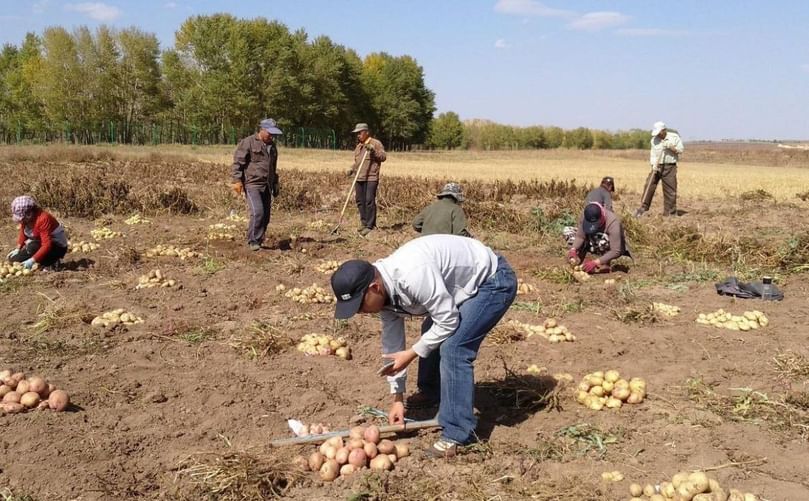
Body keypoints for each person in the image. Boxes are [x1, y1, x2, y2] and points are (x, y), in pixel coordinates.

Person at [330, 235, 517, 458]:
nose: (359, 312)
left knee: (454, 348)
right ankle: (431, 391)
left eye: (359, 305)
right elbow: (393, 345)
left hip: (493, 281)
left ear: (374, 287)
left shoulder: (412, 275)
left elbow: (447, 320)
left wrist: (412, 353)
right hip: (462, 286)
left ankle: (458, 435)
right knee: (431, 330)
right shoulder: (385, 295)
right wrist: (397, 399)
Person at [231, 118, 282, 251]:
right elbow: (238, 162)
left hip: (267, 185)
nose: (272, 136)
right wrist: (237, 180)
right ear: (262, 130)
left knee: (265, 215)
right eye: (270, 133)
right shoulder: (248, 142)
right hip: (252, 184)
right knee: (258, 212)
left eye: (274, 134)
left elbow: (273, 167)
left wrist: (275, 183)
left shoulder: (273, 147)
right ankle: (253, 241)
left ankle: (259, 240)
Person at [635, 121, 684, 217]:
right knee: (649, 185)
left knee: (670, 189)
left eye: (659, 132)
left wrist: (671, 147)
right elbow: (653, 154)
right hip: (657, 166)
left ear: (663, 130)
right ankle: (643, 208)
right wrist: (653, 165)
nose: (658, 135)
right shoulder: (654, 140)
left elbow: (680, 150)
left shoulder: (674, 137)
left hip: (670, 166)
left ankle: (670, 213)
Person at [567, 202, 631, 273]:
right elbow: (580, 236)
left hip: (612, 247)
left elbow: (616, 251)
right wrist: (573, 249)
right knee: (568, 232)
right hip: (594, 241)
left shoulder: (613, 223)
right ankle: (578, 257)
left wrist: (595, 262)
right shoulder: (586, 215)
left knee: (603, 240)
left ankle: (605, 263)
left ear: (601, 218)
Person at [7, 195, 68, 269]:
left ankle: (52, 261)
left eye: (22, 218)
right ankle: (40, 259)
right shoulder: (26, 219)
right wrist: (18, 248)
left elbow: (47, 245)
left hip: (56, 247)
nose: (21, 221)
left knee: (33, 247)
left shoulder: (43, 219)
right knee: (13, 259)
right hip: (39, 243)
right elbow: (23, 232)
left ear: (29, 213)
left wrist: (32, 261)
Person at [346, 123, 386, 236]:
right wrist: (352, 169)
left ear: (366, 132)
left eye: (360, 133)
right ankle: (363, 223)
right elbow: (357, 163)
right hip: (359, 177)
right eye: (357, 133)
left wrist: (373, 151)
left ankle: (370, 225)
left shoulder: (375, 143)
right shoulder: (359, 146)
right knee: (360, 200)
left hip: (371, 177)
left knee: (369, 201)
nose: (358, 135)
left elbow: (383, 157)